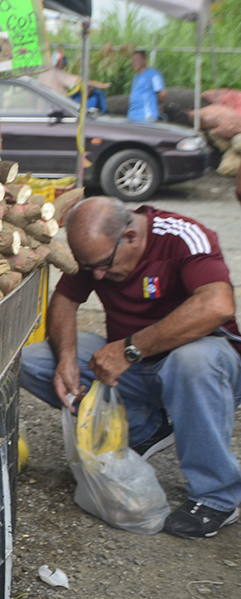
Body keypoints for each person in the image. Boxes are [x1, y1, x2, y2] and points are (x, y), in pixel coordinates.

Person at [19, 196, 241, 538]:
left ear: (131, 237)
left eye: (104, 265)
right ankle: (146, 429)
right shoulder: (96, 253)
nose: (98, 275)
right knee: (34, 361)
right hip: (134, 367)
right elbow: (64, 300)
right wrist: (65, 358)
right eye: (89, 267)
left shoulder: (183, 236)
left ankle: (216, 497)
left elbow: (218, 304)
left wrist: (130, 349)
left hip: (198, 366)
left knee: (192, 361)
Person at [127, 49, 166, 122]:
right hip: (132, 116)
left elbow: (162, 93)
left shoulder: (153, 74)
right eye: (132, 60)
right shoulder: (135, 77)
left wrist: (159, 104)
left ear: (144, 60)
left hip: (146, 117)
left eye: (136, 59)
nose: (133, 62)